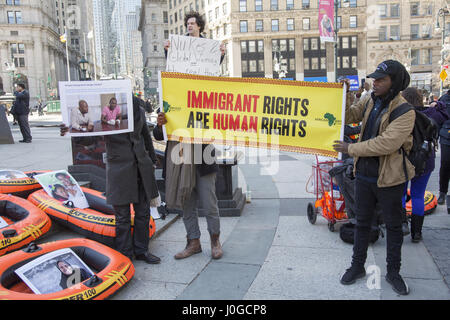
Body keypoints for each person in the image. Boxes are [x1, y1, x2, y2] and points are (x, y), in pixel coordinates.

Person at [333, 60, 415, 296]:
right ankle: (357, 266)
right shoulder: (370, 99)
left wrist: (351, 149)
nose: (375, 83)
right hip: (364, 176)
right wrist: (345, 95)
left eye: (381, 79)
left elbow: (387, 143)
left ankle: (393, 272)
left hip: (390, 178)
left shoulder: (405, 111)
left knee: (393, 227)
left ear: (395, 82)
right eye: (374, 79)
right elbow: (349, 116)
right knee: (360, 223)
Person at [61, 96, 161, 264]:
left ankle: (142, 250)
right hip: (119, 169)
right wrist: (69, 130)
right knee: (122, 215)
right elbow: (90, 139)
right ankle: (125, 254)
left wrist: (152, 158)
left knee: (143, 212)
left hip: (141, 167)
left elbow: (145, 135)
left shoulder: (137, 107)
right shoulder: (105, 113)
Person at [158, 11, 225, 260]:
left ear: (200, 27)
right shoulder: (172, 95)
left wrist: (218, 56)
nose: (189, 26)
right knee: (186, 201)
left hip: (203, 150)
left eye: (193, 24)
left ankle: (215, 242)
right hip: (180, 151)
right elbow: (159, 131)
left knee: (209, 202)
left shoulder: (207, 88)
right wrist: (161, 121)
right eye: (186, 24)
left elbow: (210, 74)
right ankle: (193, 242)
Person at [400, 87, 449, 241]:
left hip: (403, 159)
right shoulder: (432, 114)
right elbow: (445, 112)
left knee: (401, 194)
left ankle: (402, 225)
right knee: (418, 196)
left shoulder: (402, 115)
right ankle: (417, 233)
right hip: (425, 160)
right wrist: (436, 104)